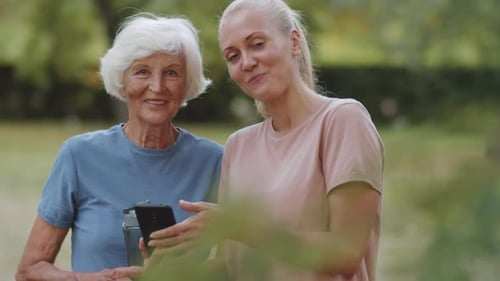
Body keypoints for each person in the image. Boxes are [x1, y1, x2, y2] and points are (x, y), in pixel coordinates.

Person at [15, 13, 223, 281]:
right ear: (123, 83)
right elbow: (29, 270)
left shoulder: (215, 161)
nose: (157, 86)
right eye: (142, 72)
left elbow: (238, 263)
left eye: (171, 73)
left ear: (187, 85)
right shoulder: (79, 156)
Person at [215, 0, 384, 280]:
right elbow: (227, 266)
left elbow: (345, 252)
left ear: (293, 41)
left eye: (257, 44)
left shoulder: (342, 120)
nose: (246, 62)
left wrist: (242, 228)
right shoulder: (238, 146)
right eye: (232, 56)